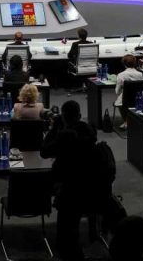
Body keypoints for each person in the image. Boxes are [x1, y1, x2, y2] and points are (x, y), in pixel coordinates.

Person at [41, 100, 100, 261]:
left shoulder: (64, 136)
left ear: (63, 117)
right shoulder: (88, 131)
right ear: (79, 116)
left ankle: (68, 250)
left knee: (66, 235)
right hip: (89, 185)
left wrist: (55, 129)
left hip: (68, 189)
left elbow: (44, 152)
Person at [114, 55, 143, 127]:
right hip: (138, 99)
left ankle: (126, 121)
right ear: (135, 63)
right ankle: (133, 121)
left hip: (125, 101)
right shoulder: (140, 74)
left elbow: (117, 92)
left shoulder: (120, 75)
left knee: (119, 100)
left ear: (124, 64)